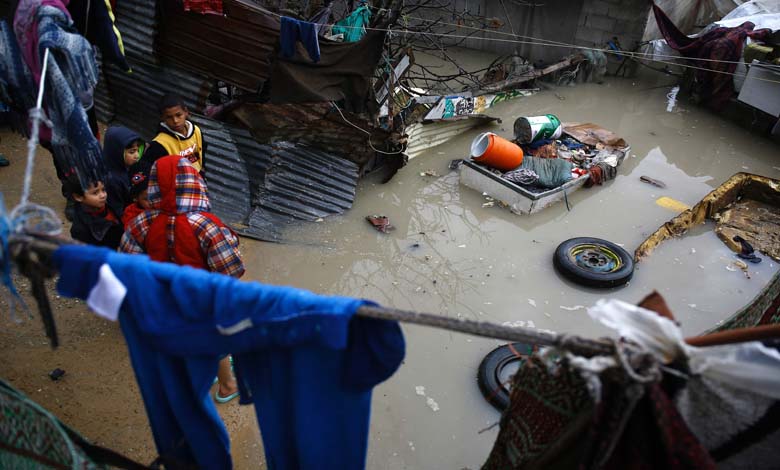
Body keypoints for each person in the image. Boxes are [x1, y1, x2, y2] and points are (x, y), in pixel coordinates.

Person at [120, 155, 244, 403]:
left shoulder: (141, 223)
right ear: (192, 181)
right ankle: (228, 385)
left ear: (154, 184)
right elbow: (230, 268)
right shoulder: (205, 225)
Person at [143, 93, 206, 174]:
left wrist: (202, 171)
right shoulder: (159, 144)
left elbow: (202, 151)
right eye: (169, 117)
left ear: (186, 112)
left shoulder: (196, 131)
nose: (175, 121)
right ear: (162, 118)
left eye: (178, 115)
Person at [65, 173, 124, 250]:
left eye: (103, 190)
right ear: (78, 197)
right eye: (95, 193)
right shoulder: (80, 231)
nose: (103, 195)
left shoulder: (107, 205)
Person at [103, 125, 145, 208]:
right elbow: (117, 209)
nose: (137, 156)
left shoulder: (129, 167)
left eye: (138, 150)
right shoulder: (112, 181)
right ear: (117, 153)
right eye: (132, 152)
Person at [121, 159, 151, 228]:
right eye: (147, 199)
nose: (152, 202)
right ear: (135, 198)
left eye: (155, 196)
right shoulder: (130, 215)